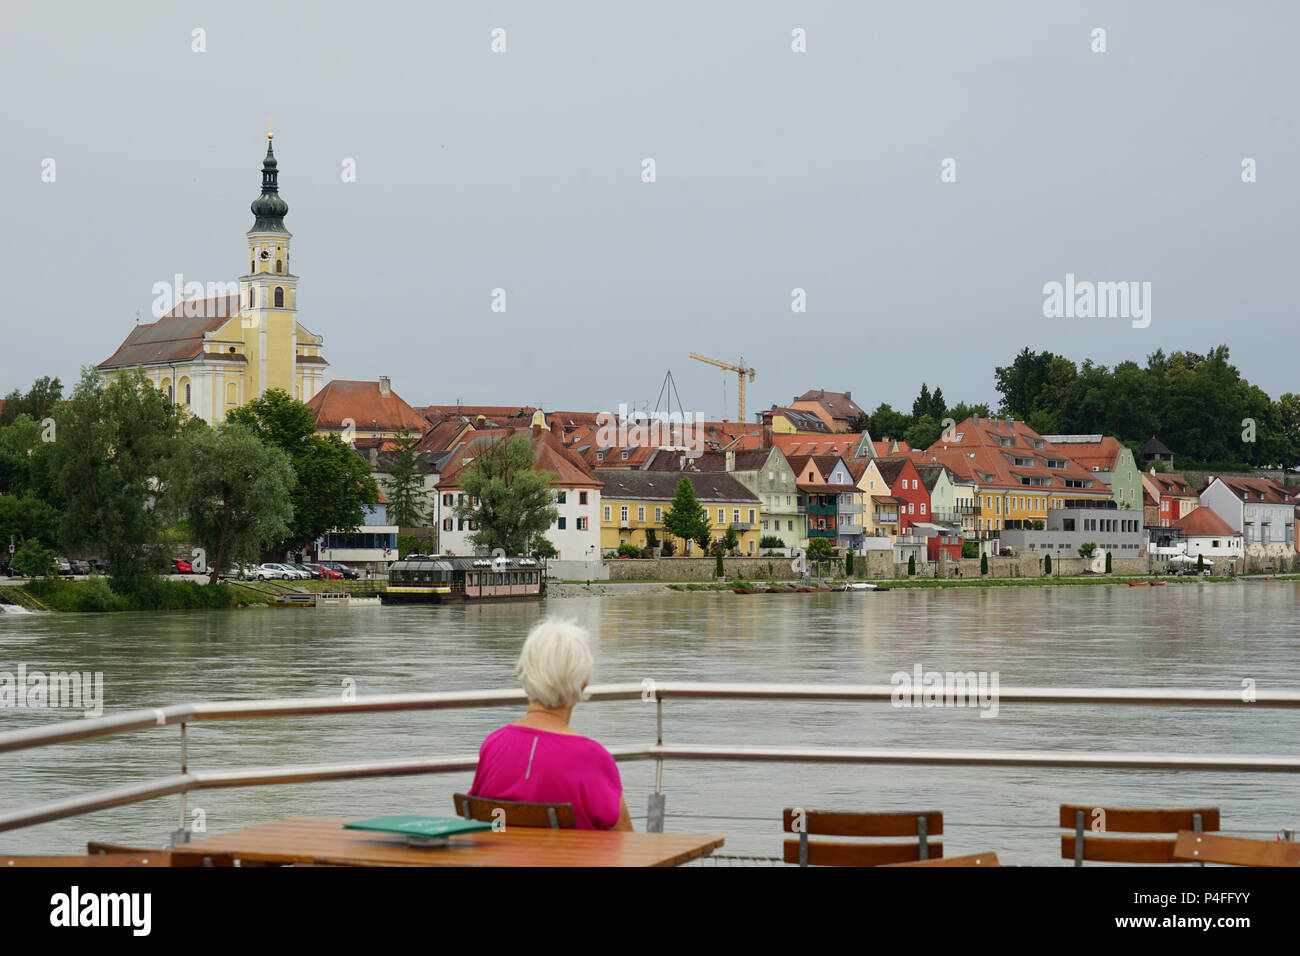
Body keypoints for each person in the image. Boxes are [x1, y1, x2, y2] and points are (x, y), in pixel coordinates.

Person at [468, 618, 632, 831]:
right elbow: (628, 845)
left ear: (523, 673)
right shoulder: (593, 758)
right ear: (584, 684)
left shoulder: (493, 746)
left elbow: (487, 825)